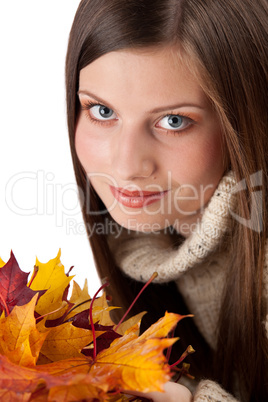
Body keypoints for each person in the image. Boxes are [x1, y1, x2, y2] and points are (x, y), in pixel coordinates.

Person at [65, 0, 268, 400]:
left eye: (174, 121)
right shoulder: (142, 240)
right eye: (102, 111)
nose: (126, 165)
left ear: (244, 120)